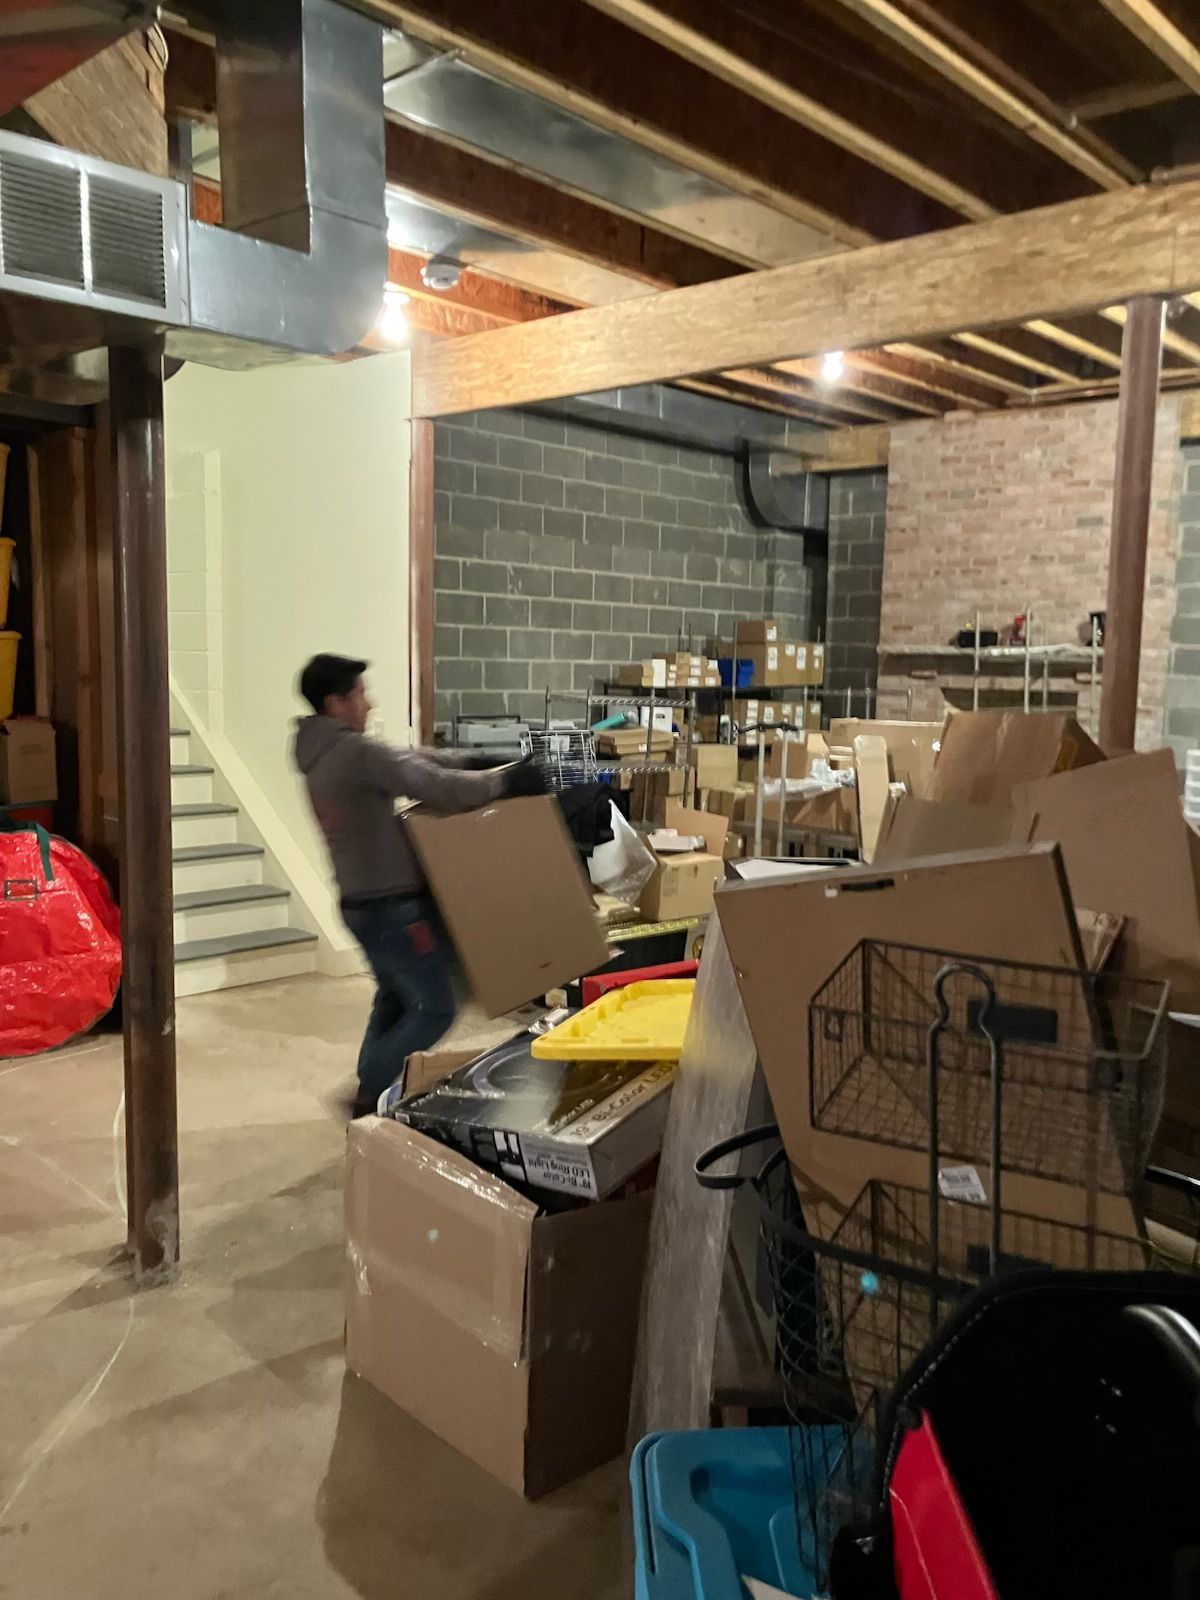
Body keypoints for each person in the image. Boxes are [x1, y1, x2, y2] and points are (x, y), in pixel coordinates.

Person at [293, 653, 546, 1115]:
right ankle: (369, 1095)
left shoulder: (321, 754)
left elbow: (411, 757)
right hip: (392, 907)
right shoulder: (354, 753)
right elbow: (432, 784)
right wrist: (503, 784)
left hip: (358, 904)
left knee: (393, 997)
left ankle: (370, 1084)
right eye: (360, 695)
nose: (368, 704)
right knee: (435, 1008)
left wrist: (480, 758)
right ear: (335, 703)